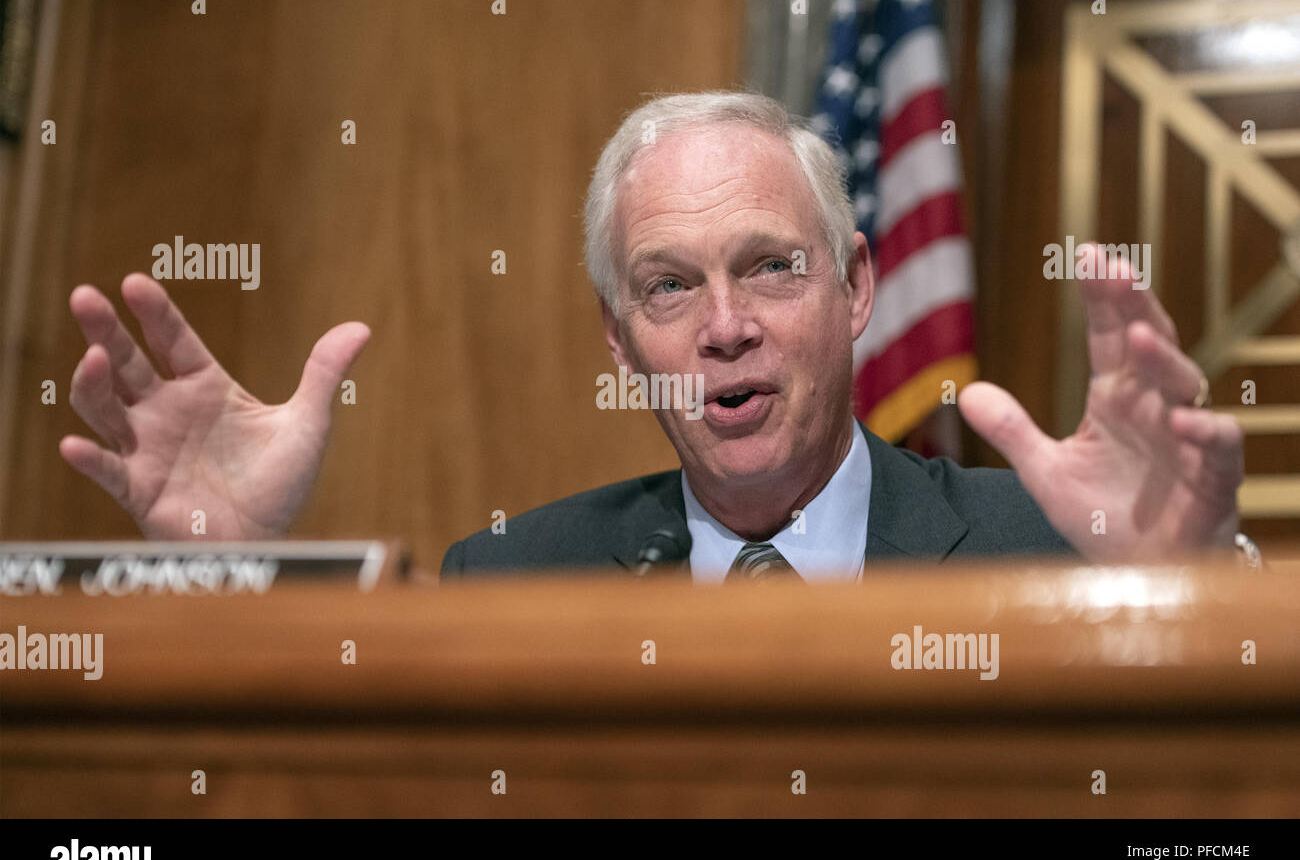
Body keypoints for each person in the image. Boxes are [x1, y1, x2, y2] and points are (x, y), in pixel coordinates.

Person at [60, 92, 1245, 581]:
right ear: (621, 345)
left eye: (771, 268)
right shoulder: (507, 583)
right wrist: (217, 574)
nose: (724, 328)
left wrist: (1192, 593)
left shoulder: (1051, 549)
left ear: (856, 289)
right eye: (668, 287)